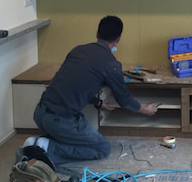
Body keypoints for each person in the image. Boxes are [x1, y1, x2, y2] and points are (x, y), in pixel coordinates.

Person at [24, 15, 159, 164]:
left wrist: (98, 103)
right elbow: (123, 99)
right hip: (61, 120)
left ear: (97, 33)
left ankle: (38, 143)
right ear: (118, 39)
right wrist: (144, 109)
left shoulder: (77, 51)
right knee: (102, 148)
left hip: (40, 113)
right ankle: (48, 148)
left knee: (75, 134)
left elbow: (76, 83)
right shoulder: (111, 65)